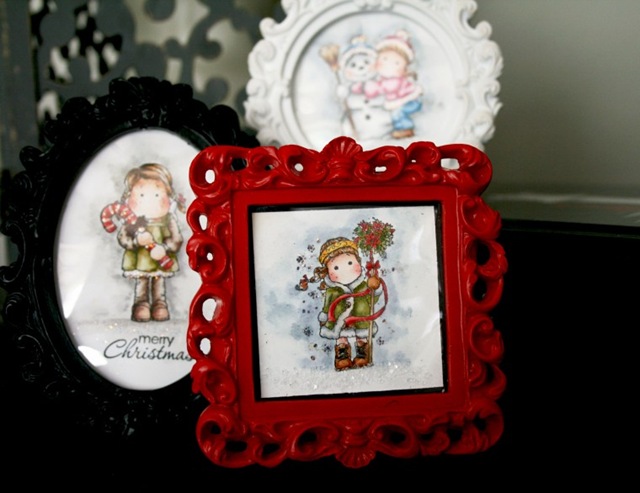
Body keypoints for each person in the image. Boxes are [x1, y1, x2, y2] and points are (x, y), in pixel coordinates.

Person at [107, 163, 185, 322]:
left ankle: (159, 304)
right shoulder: (132, 221)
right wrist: (136, 241)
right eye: (141, 195)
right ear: (129, 197)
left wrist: (165, 248)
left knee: (158, 282)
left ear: (168, 197)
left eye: (157, 195)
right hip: (140, 261)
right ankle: (141, 304)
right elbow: (123, 238)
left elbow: (177, 239)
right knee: (142, 282)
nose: (149, 200)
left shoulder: (168, 219)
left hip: (160, 260)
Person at [314, 237, 382, 370]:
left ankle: (362, 355)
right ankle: (342, 356)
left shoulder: (364, 286)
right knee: (341, 338)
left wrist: (376, 287)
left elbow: (373, 299)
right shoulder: (332, 291)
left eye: (350, 263)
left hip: (360, 319)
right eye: (336, 267)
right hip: (339, 321)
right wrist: (324, 317)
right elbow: (327, 306)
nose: (345, 270)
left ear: (359, 262)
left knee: (361, 337)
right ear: (328, 272)